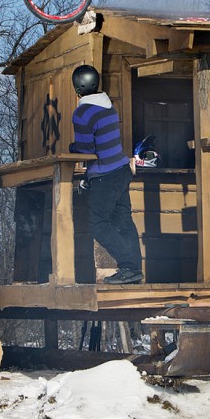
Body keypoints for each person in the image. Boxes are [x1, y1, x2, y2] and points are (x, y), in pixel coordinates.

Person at [68, 64, 144, 285]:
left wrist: (72, 148)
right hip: (121, 169)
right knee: (123, 220)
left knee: (98, 224)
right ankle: (133, 269)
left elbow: (86, 150)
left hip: (105, 174)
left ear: (77, 89)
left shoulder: (82, 112)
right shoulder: (107, 105)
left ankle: (128, 265)